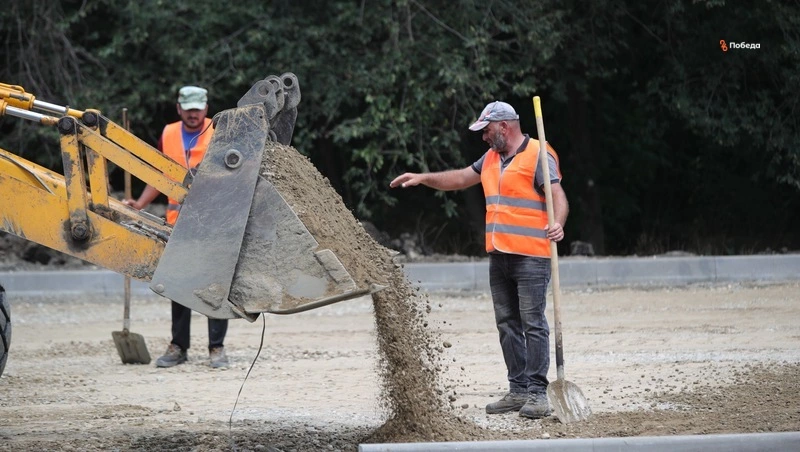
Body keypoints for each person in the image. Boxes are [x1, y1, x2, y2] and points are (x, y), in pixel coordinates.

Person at [390, 100, 568, 419]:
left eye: (486, 131)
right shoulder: (491, 158)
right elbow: (460, 178)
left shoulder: (538, 154)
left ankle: (538, 394)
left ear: (504, 126)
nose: (484, 137)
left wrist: (559, 223)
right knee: (507, 325)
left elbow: (558, 196)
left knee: (533, 324)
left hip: (531, 255)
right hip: (499, 255)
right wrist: (422, 178)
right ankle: (518, 390)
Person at [124, 86, 230, 369]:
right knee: (178, 285)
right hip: (178, 226)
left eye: (198, 109)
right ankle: (178, 346)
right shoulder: (169, 133)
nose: (193, 114)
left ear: (206, 109)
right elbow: (160, 174)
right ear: (179, 108)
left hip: (213, 223)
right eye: (188, 109)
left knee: (214, 286)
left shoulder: (219, 132)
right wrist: (141, 204)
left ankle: (216, 348)